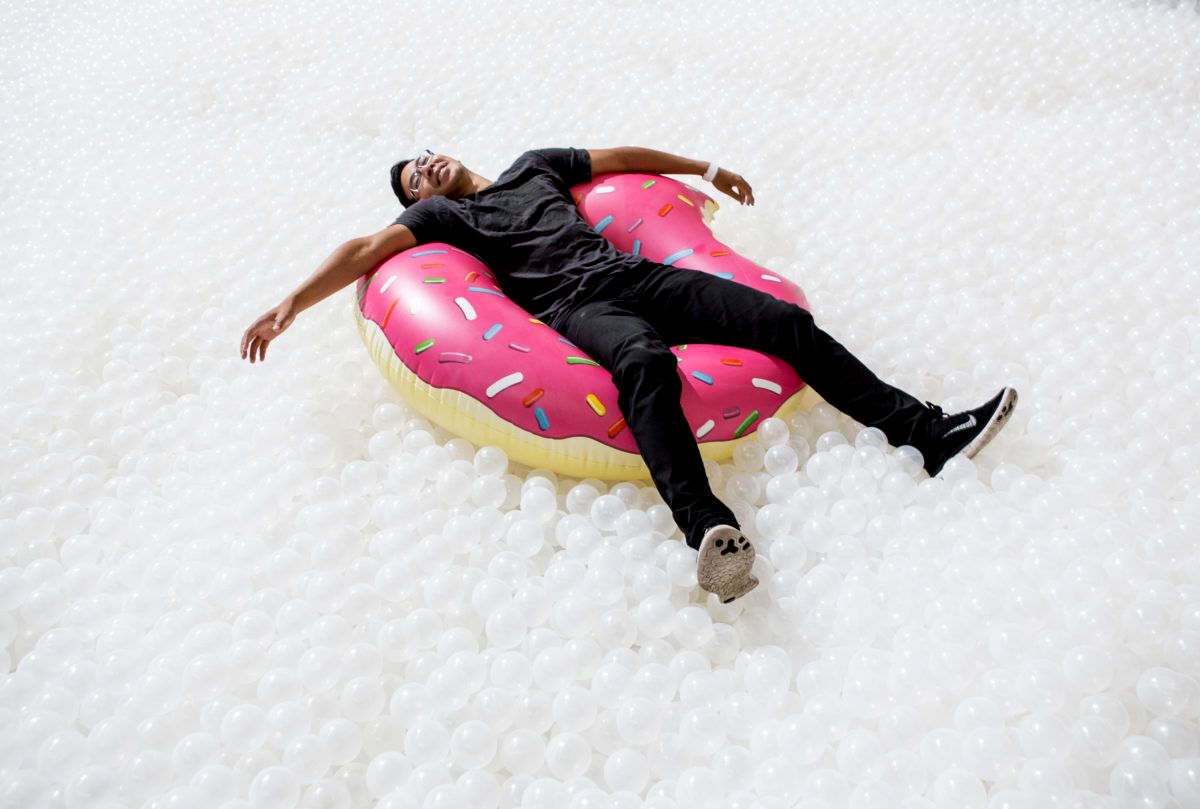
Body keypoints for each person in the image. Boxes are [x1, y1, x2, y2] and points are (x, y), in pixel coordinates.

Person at [240, 146, 1018, 604]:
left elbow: (620, 158)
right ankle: (710, 532)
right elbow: (361, 251)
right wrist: (289, 304)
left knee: (782, 325)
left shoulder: (533, 166)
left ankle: (928, 433)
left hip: (640, 274)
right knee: (643, 365)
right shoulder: (450, 221)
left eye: (426, 156)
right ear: (419, 198)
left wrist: (705, 165)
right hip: (580, 310)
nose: (426, 170)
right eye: (413, 178)